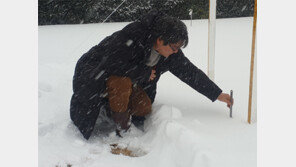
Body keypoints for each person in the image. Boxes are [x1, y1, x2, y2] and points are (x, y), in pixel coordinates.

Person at [70, 10, 233, 140]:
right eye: (174, 47)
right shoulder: (132, 36)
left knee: (143, 107)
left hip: (125, 81)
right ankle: (123, 129)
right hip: (93, 79)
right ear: (160, 40)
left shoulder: (169, 50)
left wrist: (217, 94)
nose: (176, 52)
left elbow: (189, 72)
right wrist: (143, 72)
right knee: (120, 81)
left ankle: (110, 107)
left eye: (179, 48)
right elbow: (111, 64)